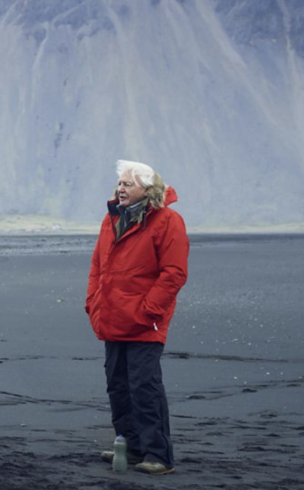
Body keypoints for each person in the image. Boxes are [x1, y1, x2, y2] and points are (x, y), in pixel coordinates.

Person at [86, 159, 189, 476]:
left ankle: (158, 455)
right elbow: (97, 267)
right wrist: (93, 303)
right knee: (118, 386)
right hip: (112, 318)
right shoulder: (112, 219)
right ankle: (130, 447)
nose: (120, 188)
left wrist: (147, 310)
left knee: (145, 388)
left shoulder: (168, 221)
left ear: (148, 188)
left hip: (145, 323)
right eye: (119, 183)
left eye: (128, 184)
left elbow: (174, 274)